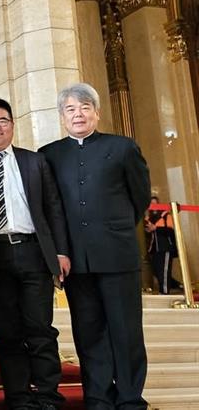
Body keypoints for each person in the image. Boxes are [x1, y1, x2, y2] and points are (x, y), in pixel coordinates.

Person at [40, 83, 151, 410]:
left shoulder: (123, 148)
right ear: (62, 117)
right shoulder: (49, 154)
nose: (78, 114)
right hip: (76, 261)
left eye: (85, 107)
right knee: (89, 334)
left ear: (97, 113)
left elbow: (140, 197)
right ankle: (99, 398)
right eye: (70, 109)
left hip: (117, 255)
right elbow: (51, 206)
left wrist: (115, 228)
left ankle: (130, 399)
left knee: (126, 332)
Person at [0, 98, 70, 410]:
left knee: (41, 330)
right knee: (7, 334)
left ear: (12, 125)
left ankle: (48, 397)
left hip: (32, 252)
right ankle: (19, 399)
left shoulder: (34, 161)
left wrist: (61, 252)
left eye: (2, 121)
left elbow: (53, 208)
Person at [144, 196, 181, 294]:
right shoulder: (148, 218)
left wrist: (155, 228)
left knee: (164, 272)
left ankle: (164, 292)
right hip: (154, 250)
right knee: (156, 271)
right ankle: (177, 285)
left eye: (155, 204)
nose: (153, 206)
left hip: (165, 248)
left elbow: (171, 231)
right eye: (151, 204)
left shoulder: (166, 215)